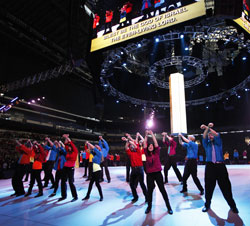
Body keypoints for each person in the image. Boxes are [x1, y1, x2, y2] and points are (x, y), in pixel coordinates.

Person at [200, 123, 239, 213]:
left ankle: (233, 206)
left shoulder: (218, 142)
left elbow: (217, 134)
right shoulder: (207, 144)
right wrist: (207, 130)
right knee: (208, 187)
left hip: (220, 166)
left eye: (211, 134)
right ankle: (207, 205)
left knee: (226, 187)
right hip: (210, 166)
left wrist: (207, 127)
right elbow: (204, 136)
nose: (210, 135)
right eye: (209, 134)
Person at [143, 130, 173, 214]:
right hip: (150, 174)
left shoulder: (156, 152)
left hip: (158, 173)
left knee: (162, 190)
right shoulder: (146, 153)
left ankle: (168, 206)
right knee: (150, 191)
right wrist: (146, 136)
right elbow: (145, 145)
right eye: (150, 146)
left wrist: (152, 134)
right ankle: (149, 206)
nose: (151, 146)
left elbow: (156, 144)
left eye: (152, 146)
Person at [121, 134, 148, 203]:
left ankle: (147, 197)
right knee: (131, 184)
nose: (132, 146)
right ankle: (135, 197)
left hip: (140, 169)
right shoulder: (130, 153)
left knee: (142, 184)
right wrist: (127, 142)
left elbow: (135, 144)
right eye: (131, 146)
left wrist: (128, 140)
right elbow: (126, 147)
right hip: (133, 169)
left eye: (133, 146)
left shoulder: (139, 151)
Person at [58, 134, 78, 202]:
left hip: (71, 168)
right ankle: (63, 196)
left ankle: (75, 196)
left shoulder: (75, 151)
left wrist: (67, 137)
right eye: (68, 147)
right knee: (63, 182)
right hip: (65, 167)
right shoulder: (68, 152)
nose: (69, 147)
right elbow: (66, 144)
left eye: (70, 147)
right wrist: (65, 138)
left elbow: (71, 143)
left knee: (71, 182)